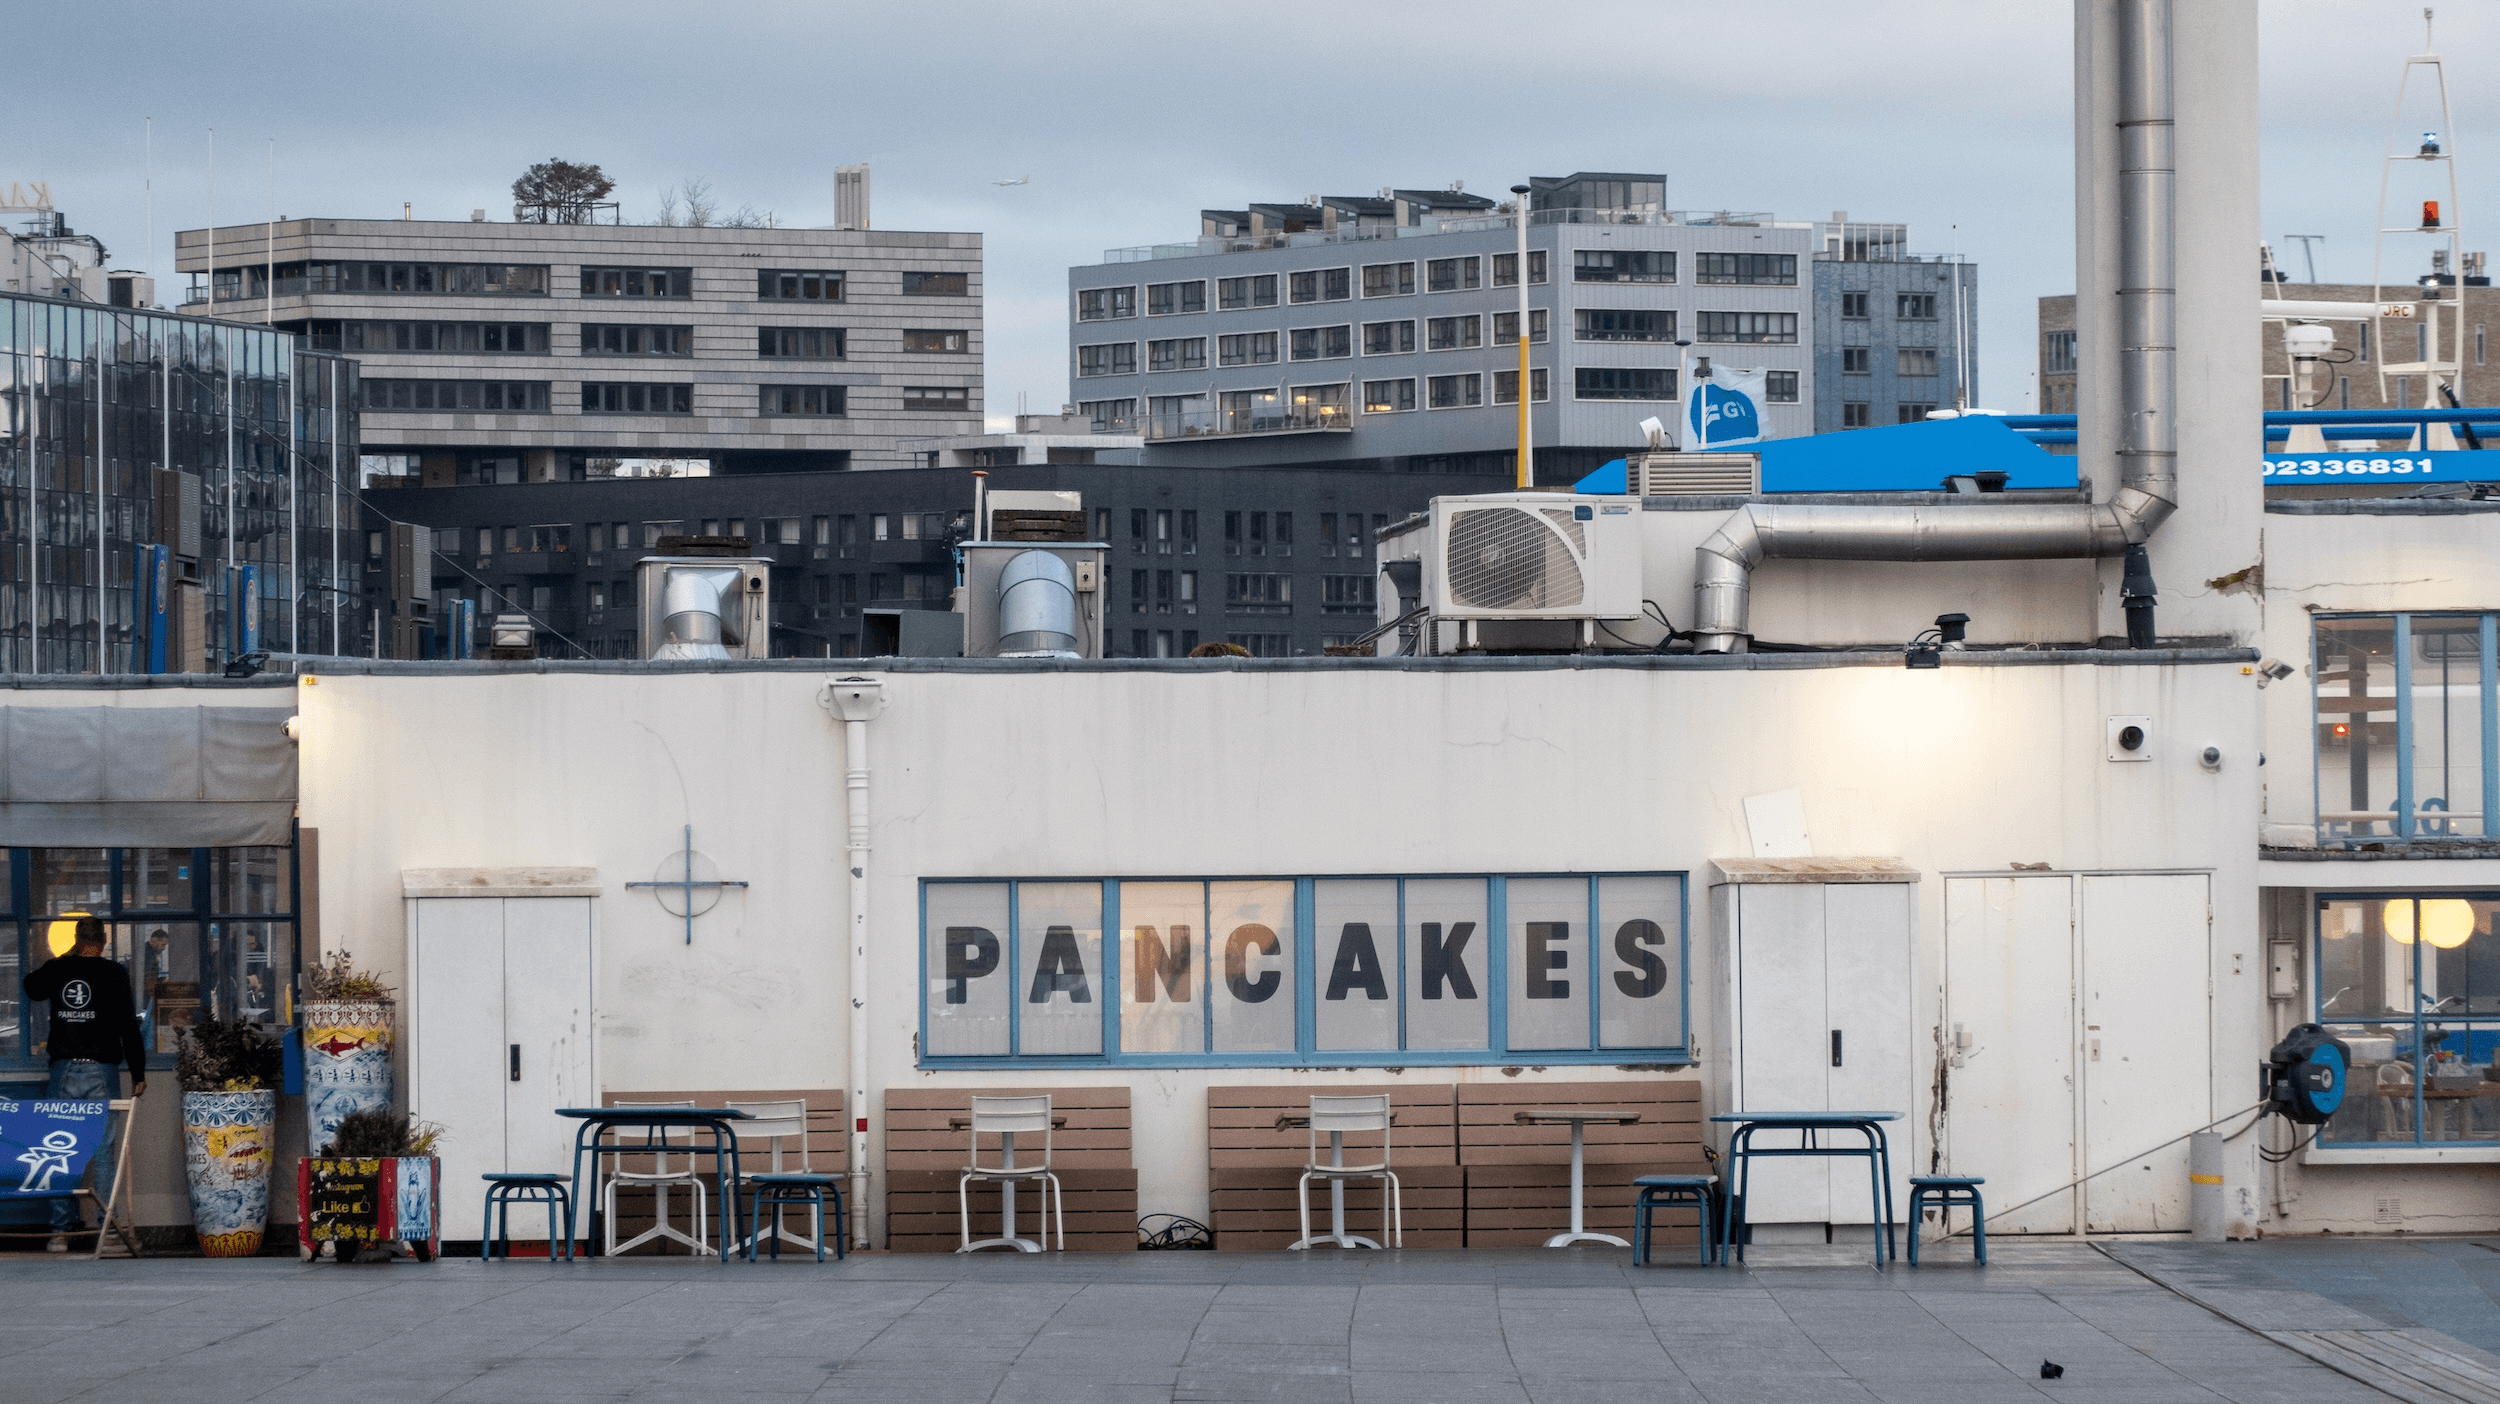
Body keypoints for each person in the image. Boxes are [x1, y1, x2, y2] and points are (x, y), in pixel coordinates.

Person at [21, 917, 146, 1252]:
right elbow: (128, 1026)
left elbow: (31, 986)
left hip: (62, 1069)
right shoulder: (114, 973)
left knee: (58, 1152)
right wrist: (138, 1074)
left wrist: (64, 959)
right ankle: (106, 1231)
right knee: (103, 1152)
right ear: (104, 941)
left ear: (76, 940)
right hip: (101, 1070)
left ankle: (59, 1233)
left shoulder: (58, 969)